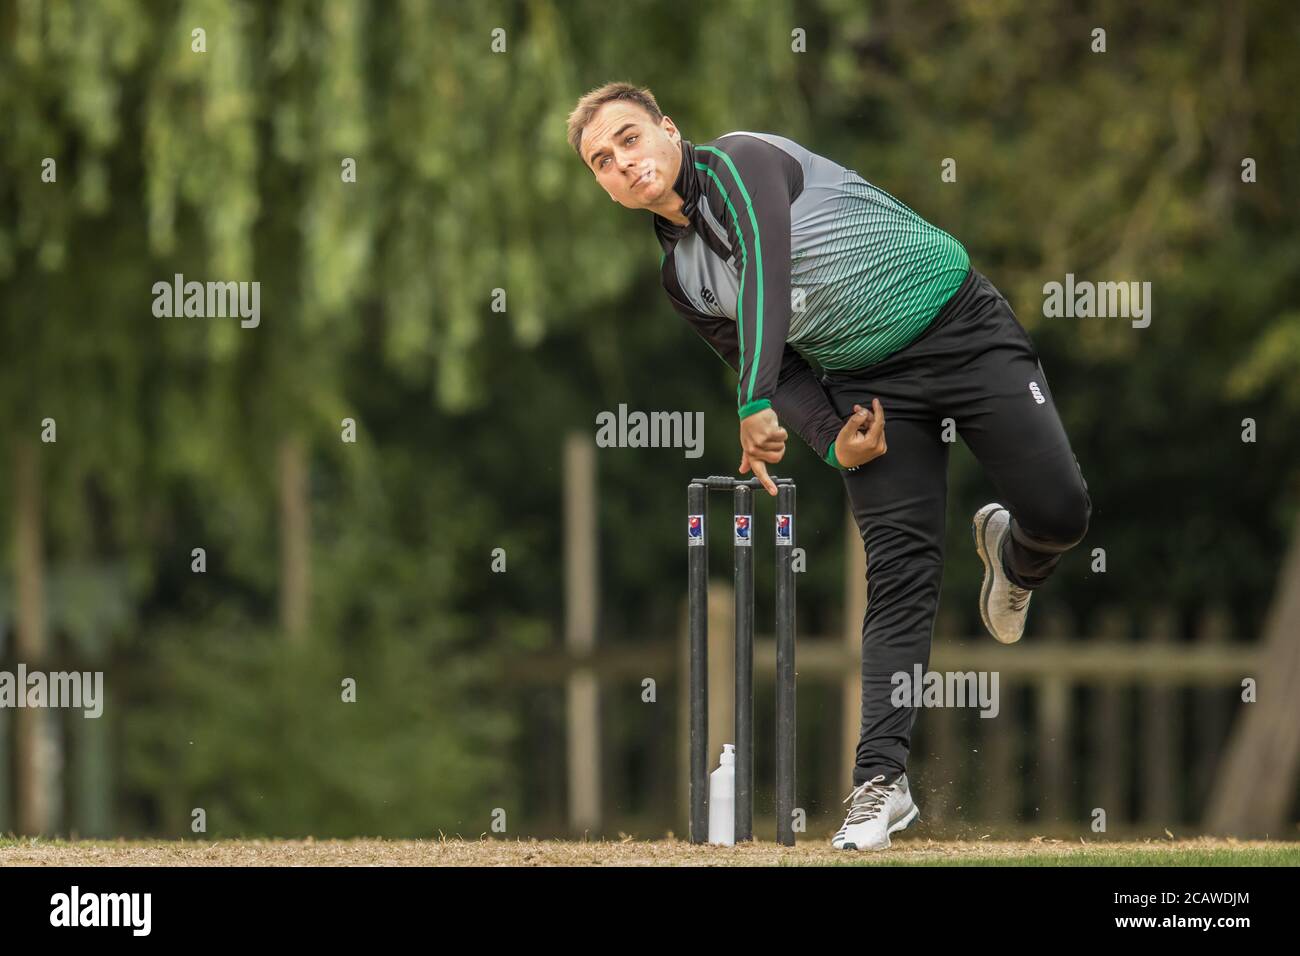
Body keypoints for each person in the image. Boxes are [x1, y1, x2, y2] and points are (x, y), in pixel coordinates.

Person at [567, 82, 1092, 850]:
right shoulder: (681, 278)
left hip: (959, 324)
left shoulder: (744, 162)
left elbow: (769, 283)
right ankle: (881, 785)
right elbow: (773, 367)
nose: (623, 163)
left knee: (1064, 512)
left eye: (629, 139)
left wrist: (750, 404)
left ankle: (1012, 553)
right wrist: (827, 437)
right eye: (602, 161)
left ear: (668, 131)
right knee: (899, 569)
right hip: (867, 388)